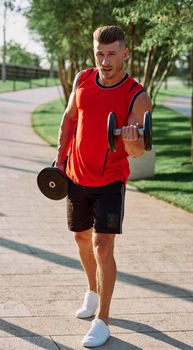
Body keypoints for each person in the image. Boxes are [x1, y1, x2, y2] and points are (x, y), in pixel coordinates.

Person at [55, 25, 152, 348]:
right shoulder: (83, 79)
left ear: (125, 53)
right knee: (81, 238)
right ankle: (92, 292)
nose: (105, 61)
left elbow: (139, 151)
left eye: (112, 54)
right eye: (100, 54)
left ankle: (103, 320)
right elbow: (69, 119)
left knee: (102, 245)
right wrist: (58, 161)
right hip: (76, 175)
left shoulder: (136, 95)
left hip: (110, 179)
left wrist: (130, 138)